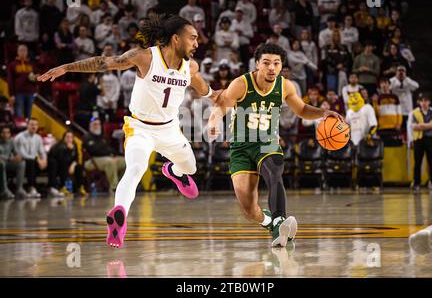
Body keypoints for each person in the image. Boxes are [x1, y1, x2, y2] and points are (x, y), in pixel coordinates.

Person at [38, 14, 220, 248]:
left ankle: (173, 171)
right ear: (176, 39)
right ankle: (118, 217)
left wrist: (212, 94)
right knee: (135, 169)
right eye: (192, 38)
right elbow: (104, 62)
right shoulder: (144, 57)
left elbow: (197, 82)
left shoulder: (189, 65)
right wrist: (67, 67)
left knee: (191, 168)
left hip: (170, 130)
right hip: (140, 128)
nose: (197, 43)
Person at [208, 43, 343, 247]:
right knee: (249, 209)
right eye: (267, 63)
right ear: (257, 65)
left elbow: (302, 110)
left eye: (276, 63)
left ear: (281, 67)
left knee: (274, 172)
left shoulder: (285, 86)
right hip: (241, 147)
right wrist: (213, 121)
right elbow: (222, 105)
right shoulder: (241, 83)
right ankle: (271, 223)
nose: (272, 67)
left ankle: (280, 220)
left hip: (267, 143)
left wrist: (323, 113)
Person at [408, 93, 432, 192]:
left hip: (429, 139)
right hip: (418, 139)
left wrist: (421, 125)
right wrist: (427, 125)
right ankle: (416, 183)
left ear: (429, 102)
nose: (424, 103)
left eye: (426, 101)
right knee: (417, 163)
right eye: (422, 101)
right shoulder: (415, 113)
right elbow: (413, 126)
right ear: (419, 102)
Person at [14, 118, 47, 198]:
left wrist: (44, 160)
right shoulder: (20, 137)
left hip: (34, 161)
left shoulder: (38, 137)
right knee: (31, 162)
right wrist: (37, 159)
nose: (34, 127)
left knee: (52, 162)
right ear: (27, 125)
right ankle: (31, 188)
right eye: (32, 124)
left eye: (36, 125)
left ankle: (52, 187)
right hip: (20, 160)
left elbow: (42, 151)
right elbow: (22, 154)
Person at [48, 130, 86, 197]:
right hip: (58, 165)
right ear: (64, 138)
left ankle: (79, 187)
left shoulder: (74, 145)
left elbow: (76, 158)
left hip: (69, 165)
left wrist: (73, 165)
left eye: (71, 137)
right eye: (67, 137)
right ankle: (63, 187)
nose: (69, 139)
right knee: (64, 165)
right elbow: (62, 159)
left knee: (79, 166)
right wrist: (68, 150)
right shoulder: (60, 146)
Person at [7, 44, 40, 119]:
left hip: (30, 92)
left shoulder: (31, 64)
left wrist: (35, 78)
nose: (23, 52)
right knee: (18, 114)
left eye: (24, 50)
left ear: (27, 52)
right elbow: (10, 80)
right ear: (17, 52)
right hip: (18, 93)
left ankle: (26, 129)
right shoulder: (13, 64)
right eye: (21, 50)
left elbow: (38, 76)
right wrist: (11, 94)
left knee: (28, 115)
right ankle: (19, 130)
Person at [0, 126, 27, 199]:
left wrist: (18, 157)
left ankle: (19, 189)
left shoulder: (12, 141)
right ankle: (4, 191)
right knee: (1, 164)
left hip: (7, 163)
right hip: (1, 163)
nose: (6, 135)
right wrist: (9, 159)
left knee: (22, 163)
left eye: (8, 133)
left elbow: (16, 153)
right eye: (3, 133)